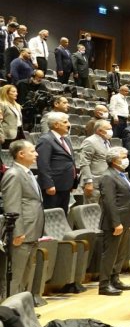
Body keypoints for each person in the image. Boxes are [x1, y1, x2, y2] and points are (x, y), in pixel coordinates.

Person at [0, 140, 44, 297]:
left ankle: (22, 305)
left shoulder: (27, 173)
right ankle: (9, 307)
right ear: (21, 154)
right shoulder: (13, 174)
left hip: (32, 230)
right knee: (15, 275)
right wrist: (17, 232)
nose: (36, 154)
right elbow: (12, 205)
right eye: (32, 151)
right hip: (22, 232)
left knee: (26, 274)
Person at [97, 147, 130, 296]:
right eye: (123, 157)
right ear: (114, 160)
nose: (126, 159)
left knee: (120, 253)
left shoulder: (121, 174)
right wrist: (116, 223)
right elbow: (109, 202)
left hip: (125, 220)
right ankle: (104, 284)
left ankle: (115, 279)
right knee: (110, 254)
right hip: (114, 222)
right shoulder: (108, 176)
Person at [35, 112, 77, 214]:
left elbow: (71, 160)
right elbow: (43, 164)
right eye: (65, 122)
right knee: (52, 215)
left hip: (66, 185)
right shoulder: (45, 140)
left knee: (63, 214)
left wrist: (73, 182)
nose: (69, 124)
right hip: (53, 186)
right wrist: (48, 185)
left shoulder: (66, 139)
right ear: (56, 125)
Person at [79, 119, 112, 204]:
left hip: (105, 182)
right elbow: (84, 163)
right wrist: (88, 182)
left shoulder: (107, 141)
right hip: (94, 183)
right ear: (100, 131)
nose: (111, 131)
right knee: (93, 208)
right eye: (108, 129)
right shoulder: (90, 141)